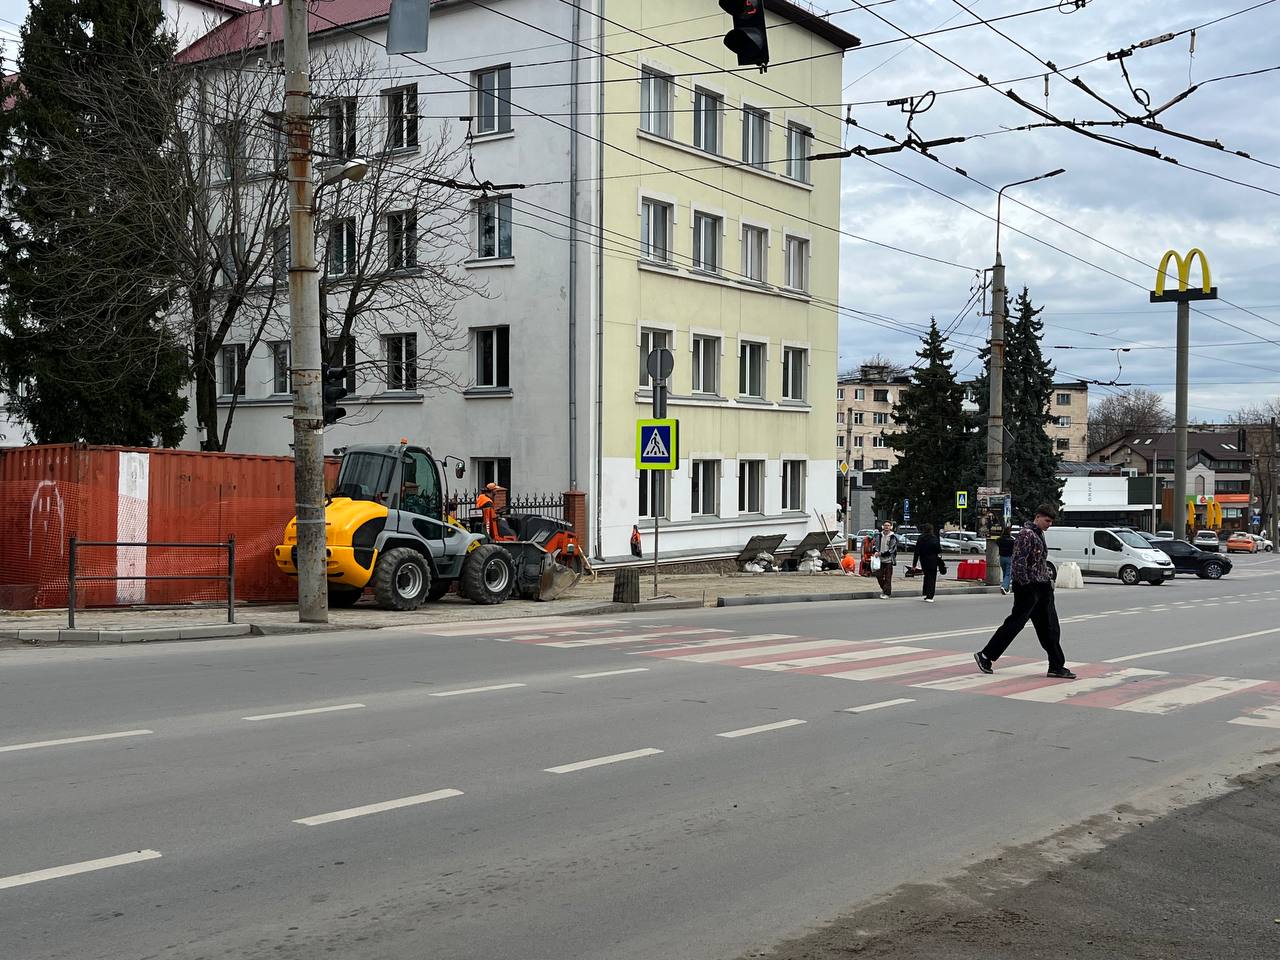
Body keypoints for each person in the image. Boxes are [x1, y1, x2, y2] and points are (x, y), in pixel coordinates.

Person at [974, 503, 1076, 679]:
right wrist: (1026, 584)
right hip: (1028, 587)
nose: (1049, 524)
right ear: (1037, 517)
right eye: (1047, 520)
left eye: (1051, 521)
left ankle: (1056, 666)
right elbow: (1019, 562)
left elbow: (1039, 562)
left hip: (1042, 586)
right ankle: (985, 656)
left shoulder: (1039, 534)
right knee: (1015, 624)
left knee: (1050, 627)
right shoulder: (1025, 535)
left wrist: (1047, 582)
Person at [912, 523, 942, 602]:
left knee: (926, 576)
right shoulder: (934, 538)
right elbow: (939, 550)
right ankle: (930, 596)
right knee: (932, 578)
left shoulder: (920, 538)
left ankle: (926, 592)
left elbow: (916, 552)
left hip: (923, 560)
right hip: (933, 560)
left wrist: (914, 564)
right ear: (931, 530)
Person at [872, 520, 899, 599]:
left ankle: (886, 593)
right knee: (878, 575)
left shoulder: (893, 537)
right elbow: (875, 546)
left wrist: (882, 553)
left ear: (891, 527)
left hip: (889, 560)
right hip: (879, 560)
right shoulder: (878, 536)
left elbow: (892, 549)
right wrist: (876, 552)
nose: (886, 527)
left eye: (888, 525)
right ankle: (885, 589)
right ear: (882, 527)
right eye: (885, 525)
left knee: (888, 577)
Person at [998, 524, 1016, 595]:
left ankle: (1006, 588)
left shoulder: (1000, 540)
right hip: (1009, 557)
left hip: (1001, 557)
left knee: (1005, 573)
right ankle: (1004, 587)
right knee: (1008, 574)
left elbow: (997, 542)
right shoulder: (1012, 541)